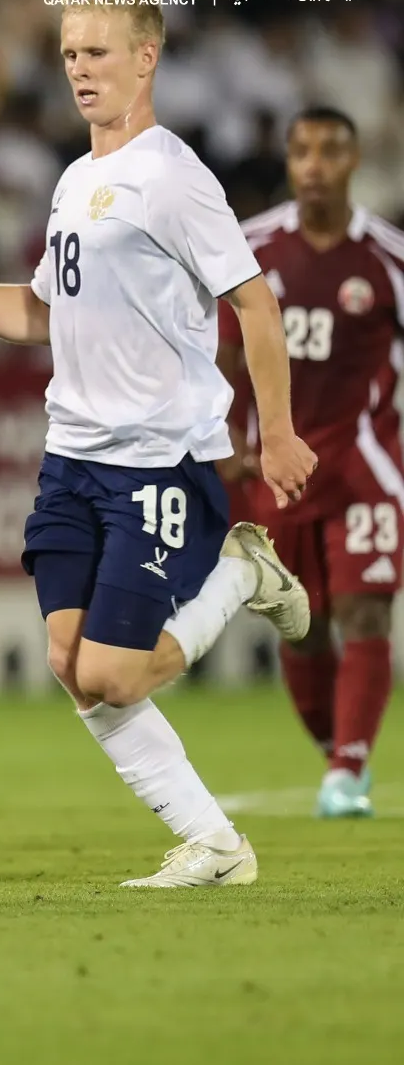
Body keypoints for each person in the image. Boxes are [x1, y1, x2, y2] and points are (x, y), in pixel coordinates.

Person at [0, 0, 317, 887]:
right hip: (72, 457)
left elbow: (256, 304)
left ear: (147, 57)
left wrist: (273, 430)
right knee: (68, 662)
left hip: (159, 460)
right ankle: (216, 845)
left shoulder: (173, 176)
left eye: (98, 52)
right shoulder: (77, 179)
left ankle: (241, 573)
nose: (80, 70)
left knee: (115, 676)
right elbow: (44, 312)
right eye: (70, 54)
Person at [218, 107, 403, 818]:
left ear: (355, 160)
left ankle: (347, 768)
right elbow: (225, 357)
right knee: (302, 627)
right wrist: (227, 438)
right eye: (302, 151)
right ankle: (339, 749)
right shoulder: (249, 246)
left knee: (364, 612)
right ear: (290, 163)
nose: (316, 164)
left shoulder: (388, 257)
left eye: (330, 150)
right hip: (279, 474)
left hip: (366, 467)